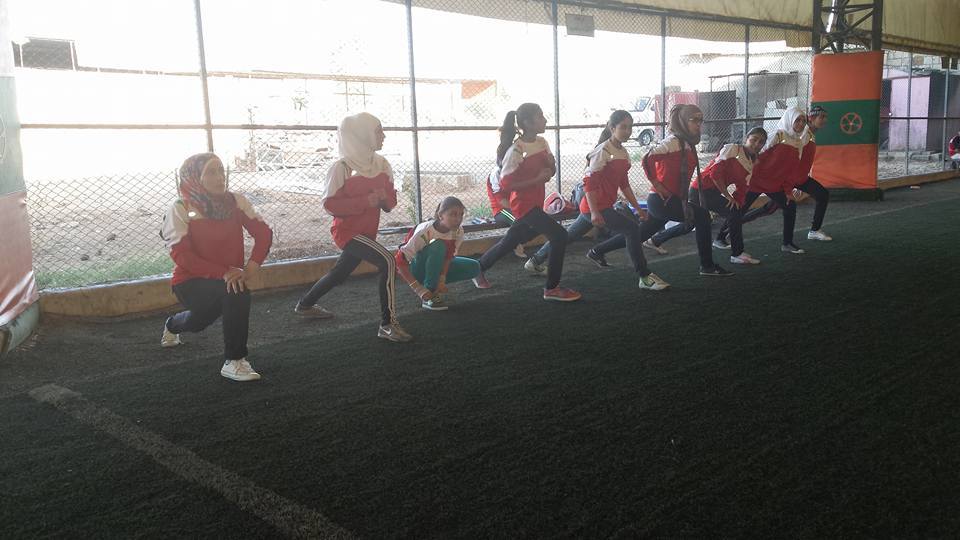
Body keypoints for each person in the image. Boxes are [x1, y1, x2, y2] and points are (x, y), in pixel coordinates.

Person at [293, 112, 412, 342]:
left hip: (367, 234)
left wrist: (383, 199)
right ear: (361, 135)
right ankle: (388, 325)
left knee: (340, 273)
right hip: (347, 233)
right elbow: (329, 205)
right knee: (388, 261)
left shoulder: (382, 164)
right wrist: (365, 201)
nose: (384, 136)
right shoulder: (342, 167)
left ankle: (305, 305)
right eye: (379, 131)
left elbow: (391, 203)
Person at [160, 152, 273, 382]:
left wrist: (251, 267)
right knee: (230, 294)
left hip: (227, 278)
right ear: (194, 177)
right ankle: (234, 360)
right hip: (190, 281)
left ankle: (174, 325)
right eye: (211, 172)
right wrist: (224, 273)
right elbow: (182, 256)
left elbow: (264, 233)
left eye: (221, 170)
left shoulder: (236, 202)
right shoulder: (181, 207)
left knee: (203, 317)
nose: (220, 177)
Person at [594, 104, 731, 278]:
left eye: (700, 120)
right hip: (662, 201)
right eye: (694, 120)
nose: (699, 124)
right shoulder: (674, 142)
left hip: (668, 200)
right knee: (702, 216)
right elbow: (647, 158)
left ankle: (597, 251)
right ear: (683, 121)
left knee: (639, 234)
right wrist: (656, 184)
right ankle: (707, 266)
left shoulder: (686, 142)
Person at [475, 103, 582, 302]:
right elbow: (506, 184)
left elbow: (549, 173)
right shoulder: (516, 150)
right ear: (527, 122)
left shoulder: (542, 142)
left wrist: (551, 167)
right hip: (523, 205)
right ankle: (552, 288)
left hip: (535, 203)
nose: (545, 120)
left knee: (511, 241)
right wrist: (537, 179)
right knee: (559, 235)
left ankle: (478, 267)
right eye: (540, 117)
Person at [645, 128, 767, 265]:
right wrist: (728, 196)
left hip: (713, 192)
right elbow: (715, 173)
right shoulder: (732, 149)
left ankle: (655, 240)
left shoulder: (750, 163)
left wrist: (737, 201)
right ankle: (735, 253)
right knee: (728, 214)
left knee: (693, 223)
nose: (756, 144)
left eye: (761, 142)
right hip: (700, 189)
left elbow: (743, 186)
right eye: (754, 139)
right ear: (746, 139)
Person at [718, 106, 810, 254]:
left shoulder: (799, 142)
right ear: (789, 119)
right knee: (739, 210)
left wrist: (788, 190)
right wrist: (747, 176)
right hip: (755, 182)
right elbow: (756, 154)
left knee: (790, 206)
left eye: (803, 121)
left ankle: (787, 243)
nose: (800, 124)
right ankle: (720, 237)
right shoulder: (778, 135)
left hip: (774, 185)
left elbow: (791, 169)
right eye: (797, 120)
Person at [395, 196, 481, 311]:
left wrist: (442, 279)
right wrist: (418, 289)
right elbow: (399, 261)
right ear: (440, 215)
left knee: (474, 267)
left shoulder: (458, 231)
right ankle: (429, 293)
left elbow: (449, 256)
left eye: (461, 214)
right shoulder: (425, 231)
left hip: (436, 265)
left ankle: (435, 286)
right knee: (438, 245)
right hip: (416, 269)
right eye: (453, 214)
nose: (458, 219)